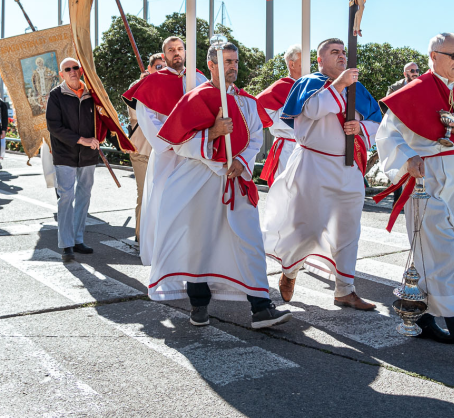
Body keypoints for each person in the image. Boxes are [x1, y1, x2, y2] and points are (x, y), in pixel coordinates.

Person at [375, 32, 454, 363]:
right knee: (447, 252)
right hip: (425, 180)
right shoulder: (412, 92)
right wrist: (407, 158)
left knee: (435, 249)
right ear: (434, 56)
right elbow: (386, 136)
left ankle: (421, 314)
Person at [151, 42, 291, 329]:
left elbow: (254, 138)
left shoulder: (246, 101)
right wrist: (213, 133)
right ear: (211, 65)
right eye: (226, 61)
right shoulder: (196, 98)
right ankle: (198, 304)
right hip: (200, 182)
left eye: (235, 61)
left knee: (250, 239)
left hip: (235, 179)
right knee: (199, 242)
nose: (233, 66)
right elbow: (178, 144)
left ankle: (261, 307)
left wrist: (241, 160)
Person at [263, 38, 382, 311]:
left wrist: (360, 127)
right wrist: (339, 84)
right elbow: (313, 110)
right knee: (309, 227)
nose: (342, 56)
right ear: (320, 60)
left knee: (349, 230)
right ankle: (290, 271)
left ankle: (345, 290)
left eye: (344, 52)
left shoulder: (358, 88)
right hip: (313, 166)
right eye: (334, 52)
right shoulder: (307, 83)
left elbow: (377, 120)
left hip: (349, 167)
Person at [123, 36, 208, 264]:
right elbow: (146, 117)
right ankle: (162, 255)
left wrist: (196, 141)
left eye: (180, 48)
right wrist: (174, 141)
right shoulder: (153, 82)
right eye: (171, 50)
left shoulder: (199, 78)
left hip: (194, 154)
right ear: (165, 55)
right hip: (167, 154)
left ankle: (192, 255)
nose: (176, 53)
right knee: (162, 201)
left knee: (194, 205)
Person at [46, 58, 105, 262]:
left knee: (84, 196)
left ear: (81, 71)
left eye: (75, 68)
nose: (72, 71)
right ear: (61, 74)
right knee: (66, 197)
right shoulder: (56, 95)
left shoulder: (92, 94)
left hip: (88, 155)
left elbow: (102, 121)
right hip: (65, 154)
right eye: (67, 69)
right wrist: (82, 140)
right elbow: (54, 126)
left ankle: (78, 239)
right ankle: (66, 244)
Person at [125, 53, 164, 240]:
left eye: (164, 67)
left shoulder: (169, 88)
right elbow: (135, 115)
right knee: (144, 193)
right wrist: (145, 86)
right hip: (141, 150)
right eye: (158, 66)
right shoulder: (136, 87)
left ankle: (158, 235)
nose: (161, 70)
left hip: (162, 151)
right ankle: (141, 237)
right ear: (149, 68)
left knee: (162, 195)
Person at [255, 44, 304, 186]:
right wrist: (295, 121)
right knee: (285, 193)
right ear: (292, 64)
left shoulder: (312, 85)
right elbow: (259, 109)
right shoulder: (282, 86)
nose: (308, 65)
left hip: (309, 148)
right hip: (287, 147)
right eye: (303, 61)